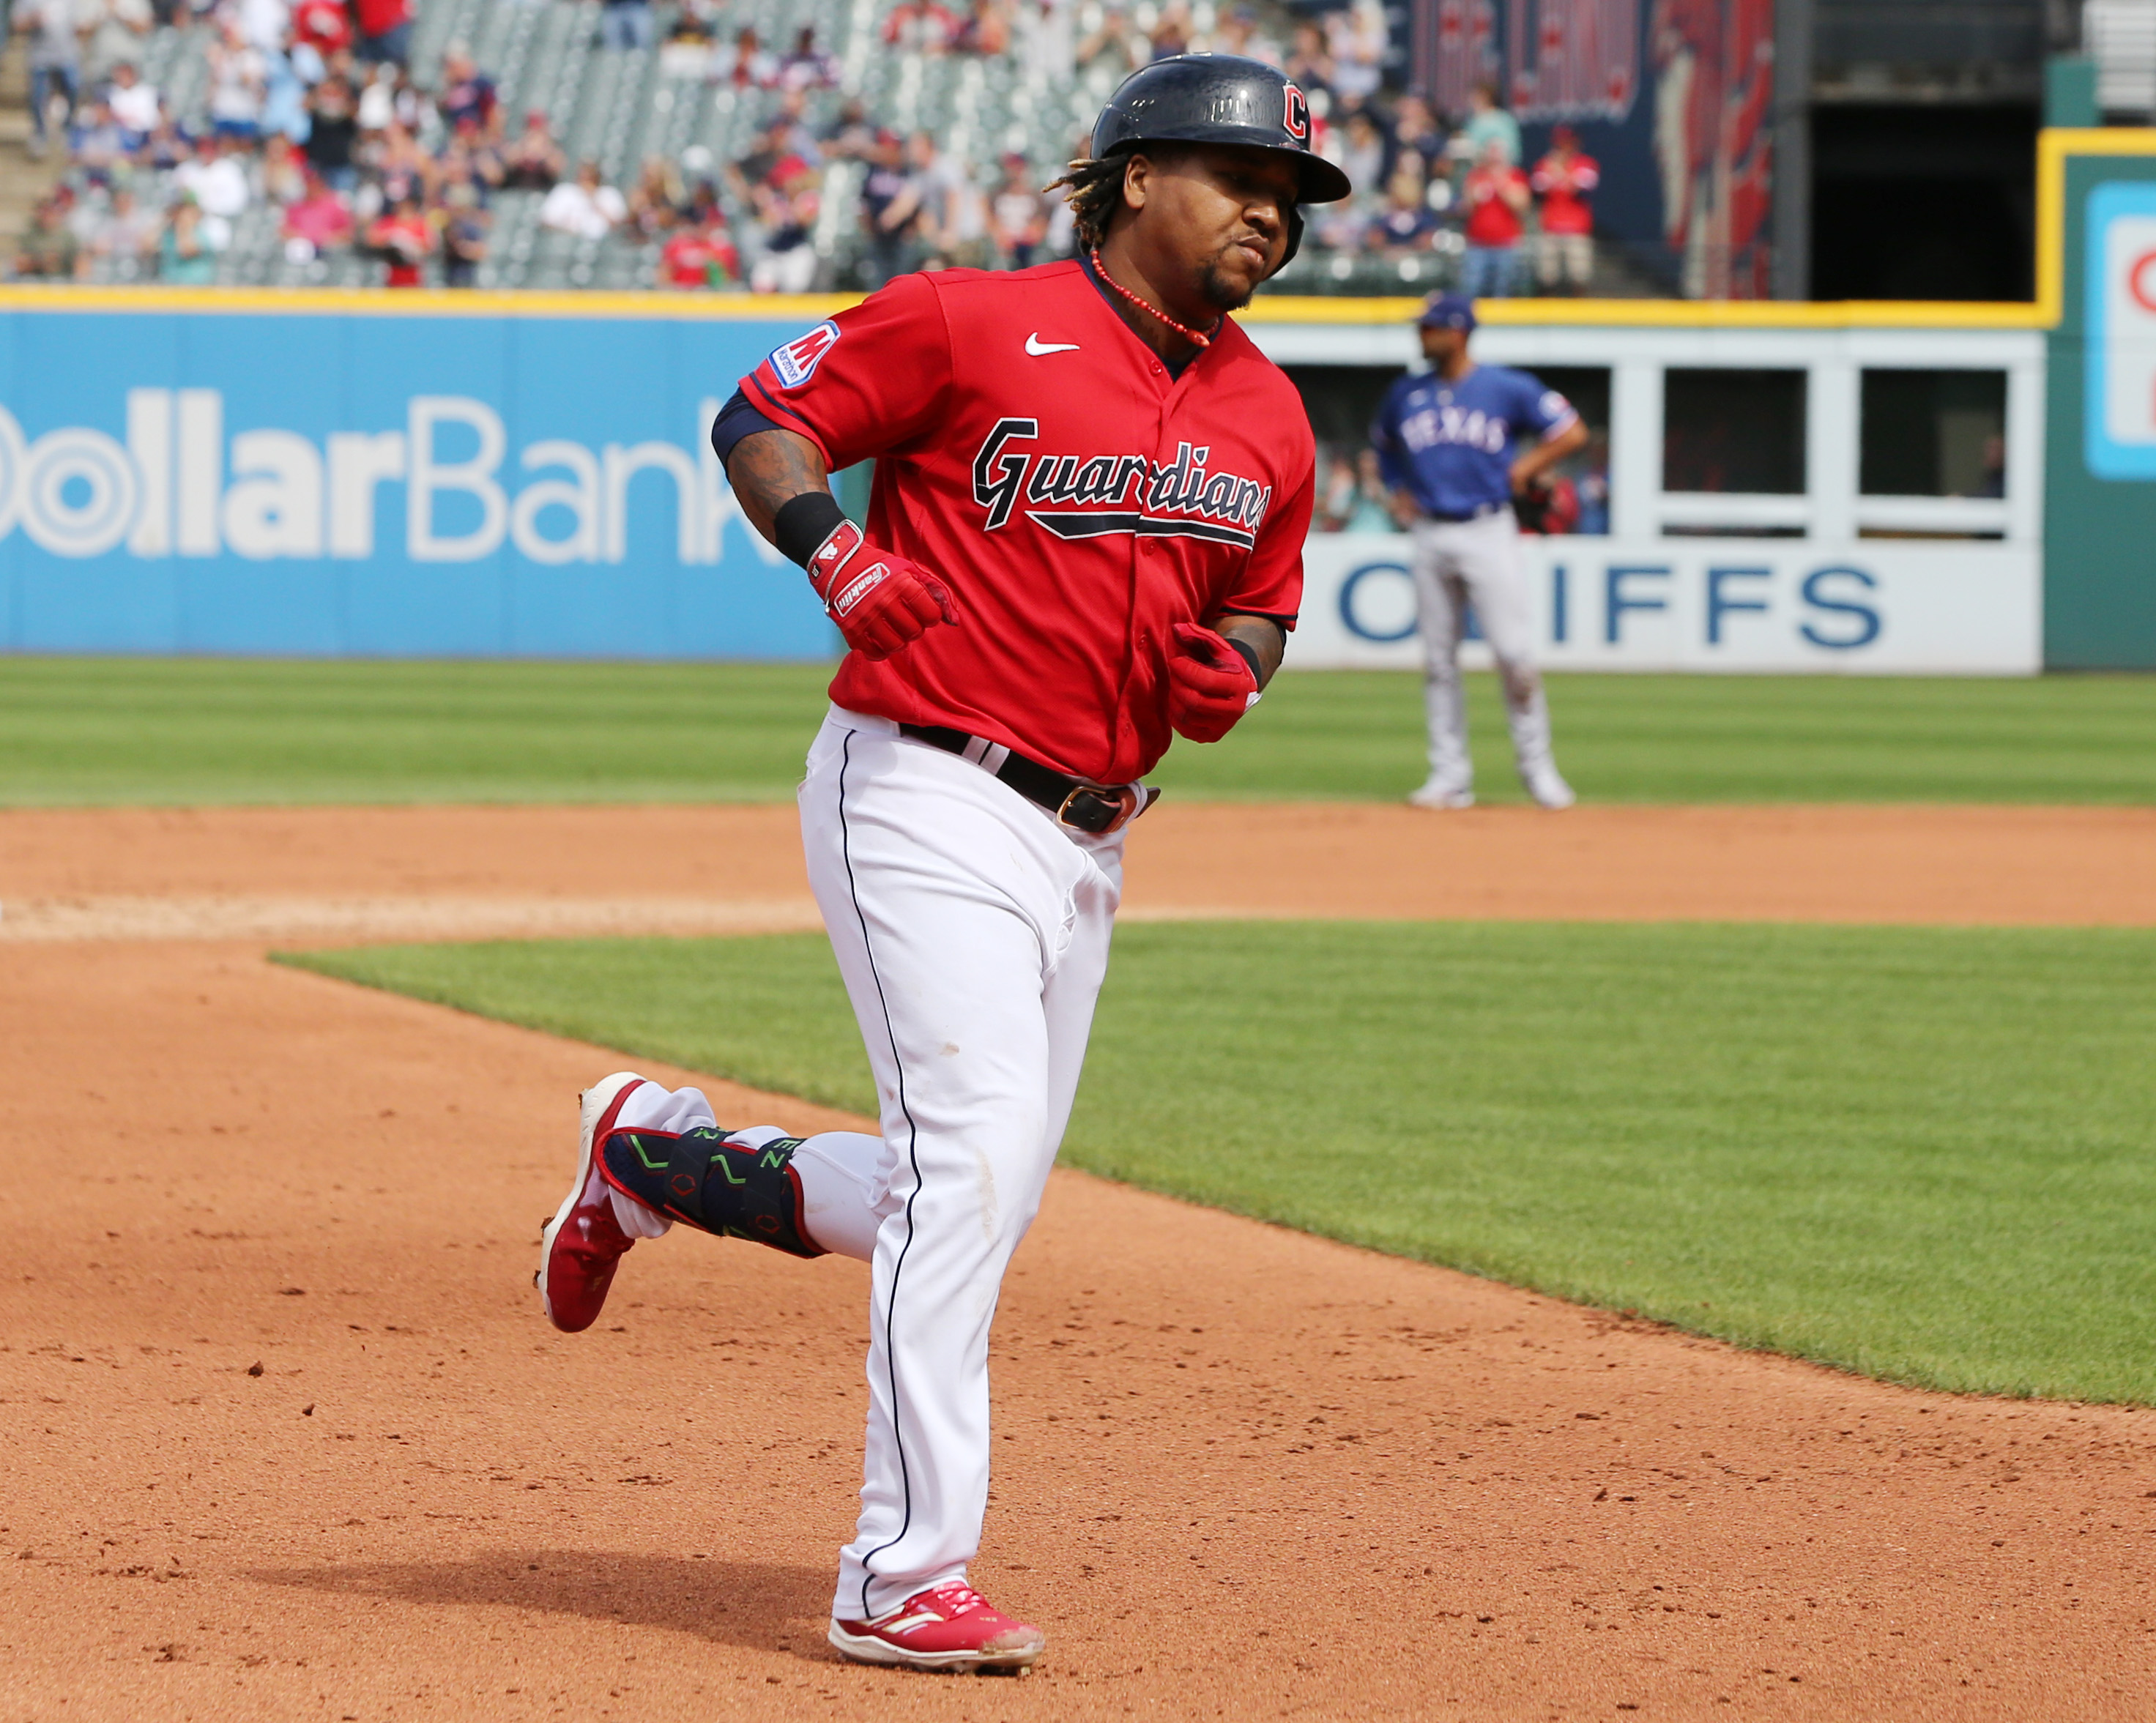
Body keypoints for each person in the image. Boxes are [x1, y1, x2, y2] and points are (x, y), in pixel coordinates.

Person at [536, 53, 1346, 1676]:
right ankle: (899, 1572)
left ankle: (654, 1160)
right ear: (1132, 179)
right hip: (921, 782)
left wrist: (1241, 670)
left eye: (1291, 196)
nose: (1269, 211)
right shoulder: (974, 320)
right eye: (1234, 177)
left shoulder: (1264, 407)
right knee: (969, 1163)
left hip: (1092, 835)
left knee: (957, 1194)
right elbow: (763, 413)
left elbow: (1262, 587)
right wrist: (832, 551)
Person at [1369, 292, 1587, 810]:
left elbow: (1570, 431)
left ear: (1459, 331)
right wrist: (1397, 487)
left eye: (1430, 328)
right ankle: (1449, 776)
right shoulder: (1406, 393)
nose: (1421, 336)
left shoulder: (1505, 387)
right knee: (1439, 661)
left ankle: (1538, 771)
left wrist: (1525, 468)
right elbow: (1383, 446)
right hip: (1429, 530)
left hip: (1490, 527)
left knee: (1514, 655)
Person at [1530, 124, 1598, 294]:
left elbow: (1583, 184)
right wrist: (1556, 170)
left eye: (1568, 143)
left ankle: (1579, 312)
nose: (1564, 147)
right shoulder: (1544, 164)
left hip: (1577, 228)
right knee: (1547, 275)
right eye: (1560, 143)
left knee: (1579, 275)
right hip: (1551, 226)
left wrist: (1559, 171)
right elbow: (1538, 185)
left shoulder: (1585, 163)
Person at [1460, 137, 1527, 298]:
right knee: (1472, 285)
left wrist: (1501, 185)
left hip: (1506, 243)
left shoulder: (1515, 176)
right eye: (1492, 151)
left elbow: (1521, 205)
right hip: (1477, 242)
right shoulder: (1476, 176)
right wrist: (1477, 193)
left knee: (1503, 288)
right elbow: (1466, 206)